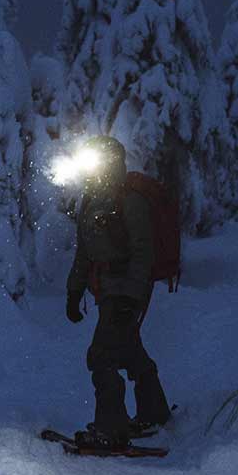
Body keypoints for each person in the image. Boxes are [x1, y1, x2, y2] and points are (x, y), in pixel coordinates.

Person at [65, 135, 172, 448]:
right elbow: (84, 252)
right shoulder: (91, 199)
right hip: (106, 291)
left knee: (101, 355)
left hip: (126, 290)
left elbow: (143, 251)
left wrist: (131, 297)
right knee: (128, 350)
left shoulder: (130, 199)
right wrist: (74, 292)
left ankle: (111, 428)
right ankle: (154, 413)